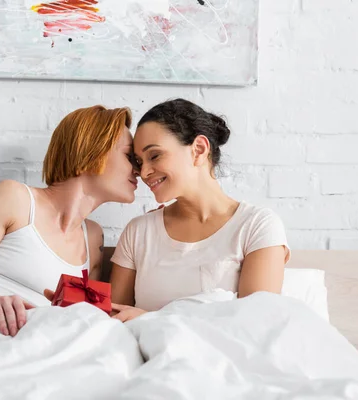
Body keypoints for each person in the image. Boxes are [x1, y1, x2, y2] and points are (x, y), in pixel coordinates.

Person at [0, 105, 138, 336]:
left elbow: (84, 321)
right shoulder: (13, 198)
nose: (139, 169)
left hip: (36, 346)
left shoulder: (93, 237)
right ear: (93, 151)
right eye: (129, 157)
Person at [109, 99, 291, 322]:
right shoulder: (139, 231)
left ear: (199, 149)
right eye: (139, 161)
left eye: (154, 155)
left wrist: (149, 319)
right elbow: (114, 322)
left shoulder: (256, 226)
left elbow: (256, 325)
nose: (144, 172)